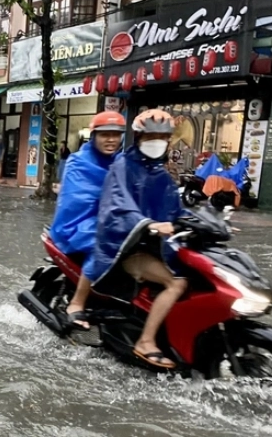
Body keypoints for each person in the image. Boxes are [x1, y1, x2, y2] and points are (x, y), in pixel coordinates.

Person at [85, 109, 188, 370]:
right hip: (127, 248)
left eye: (162, 137)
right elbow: (118, 207)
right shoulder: (122, 166)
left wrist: (208, 222)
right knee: (176, 283)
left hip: (156, 247)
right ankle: (146, 341)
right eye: (151, 135)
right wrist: (149, 224)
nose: (157, 141)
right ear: (139, 137)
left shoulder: (162, 174)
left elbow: (177, 209)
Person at [49, 111, 125, 330]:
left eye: (116, 134)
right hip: (78, 224)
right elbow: (77, 200)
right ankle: (77, 303)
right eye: (105, 135)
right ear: (93, 136)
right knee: (103, 244)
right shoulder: (78, 162)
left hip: (115, 220)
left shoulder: (122, 162)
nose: (111, 139)